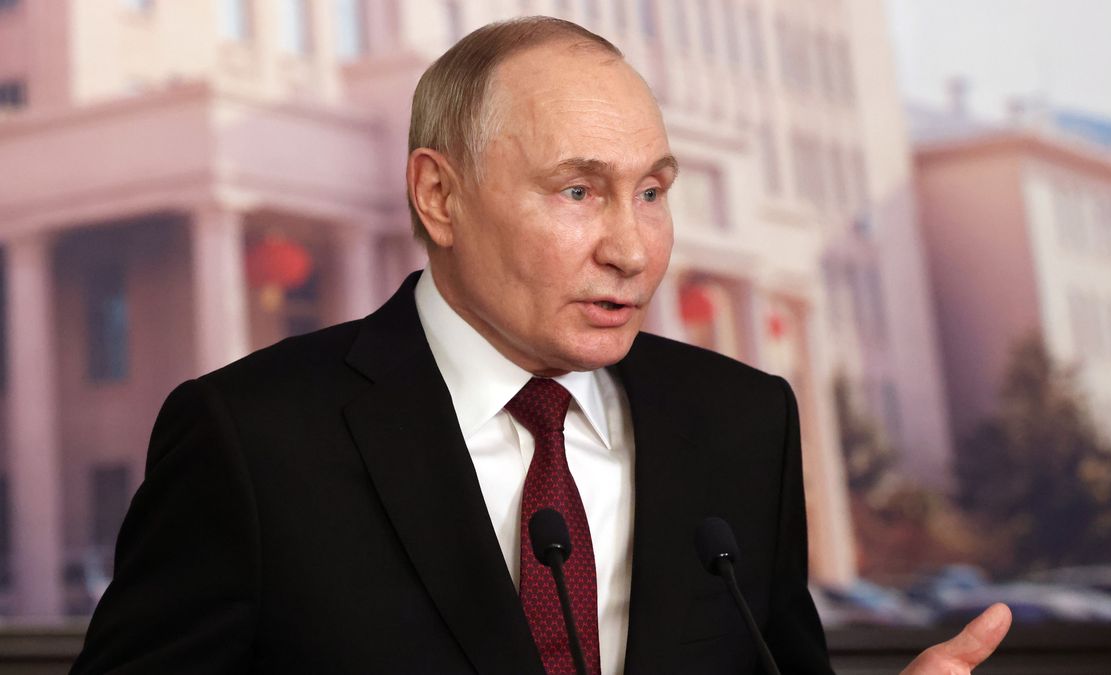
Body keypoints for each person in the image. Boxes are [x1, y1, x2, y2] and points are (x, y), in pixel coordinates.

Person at [71, 16, 1010, 675]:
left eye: (652, 191)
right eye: (578, 191)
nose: (633, 247)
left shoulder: (741, 421)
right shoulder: (253, 438)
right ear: (440, 196)